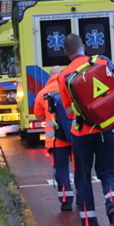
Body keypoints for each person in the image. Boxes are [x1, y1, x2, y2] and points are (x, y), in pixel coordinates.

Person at [59, 33, 114, 226]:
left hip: (81, 134)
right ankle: (113, 204)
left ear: (65, 53)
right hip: (105, 130)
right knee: (107, 173)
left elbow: (69, 113)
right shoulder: (102, 61)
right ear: (84, 46)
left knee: (83, 179)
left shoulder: (64, 76)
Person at [33, 66, 74, 212]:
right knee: (80, 168)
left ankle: (66, 200)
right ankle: (83, 198)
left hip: (57, 140)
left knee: (61, 169)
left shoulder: (42, 94)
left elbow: (38, 117)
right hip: (76, 136)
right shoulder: (71, 87)